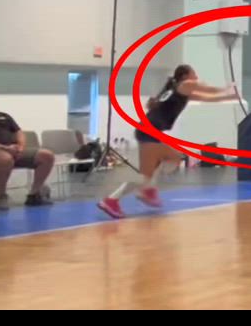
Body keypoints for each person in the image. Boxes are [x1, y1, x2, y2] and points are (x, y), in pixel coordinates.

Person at [97, 66, 238, 218]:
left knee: (153, 170)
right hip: (148, 131)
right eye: (194, 74)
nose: (196, 77)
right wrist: (226, 88)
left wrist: (229, 97)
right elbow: (207, 89)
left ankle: (140, 191)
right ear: (185, 76)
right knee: (172, 158)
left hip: (150, 132)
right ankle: (129, 195)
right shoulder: (184, 85)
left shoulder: (180, 92)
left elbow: (208, 98)